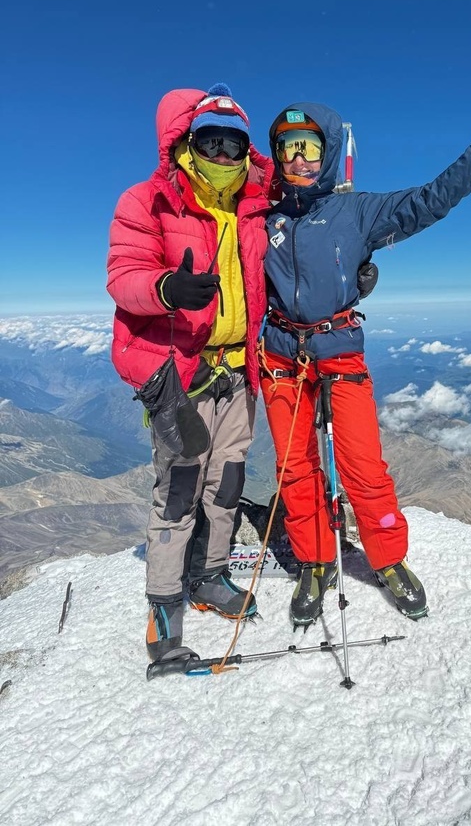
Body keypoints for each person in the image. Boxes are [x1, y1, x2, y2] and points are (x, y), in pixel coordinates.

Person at [260, 103, 471, 626]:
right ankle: (317, 560)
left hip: (338, 351)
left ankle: (387, 559)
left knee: (363, 468)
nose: (298, 158)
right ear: (275, 156)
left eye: (310, 147)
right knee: (294, 469)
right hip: (281, 358)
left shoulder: (358, 212)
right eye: (287, 147)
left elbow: (430, 202)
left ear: (329, 153)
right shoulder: (262, 215)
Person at [107, 83, 275, 661]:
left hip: (237, 371)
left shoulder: (253, 205)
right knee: (178, 490)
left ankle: (209, 576)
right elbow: (123, 275)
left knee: (226, 482)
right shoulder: (147, 201)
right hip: (180, 372)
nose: (224, 156)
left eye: (235, 144)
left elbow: (314, 208)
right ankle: (163, 602)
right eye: (212, 141)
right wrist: (165, 289)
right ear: (188, 142)